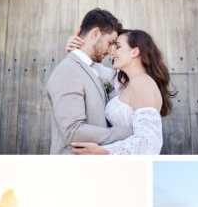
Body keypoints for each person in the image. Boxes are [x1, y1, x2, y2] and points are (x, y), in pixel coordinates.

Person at [67, 28, 174, 156]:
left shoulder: (143, 84)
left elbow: (149, 143)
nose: (112, 51)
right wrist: (76, 50)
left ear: (134, 52)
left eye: (117, 46)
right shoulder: (124, 83)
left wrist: (104, 152)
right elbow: (92, 67)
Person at [46, 9, 132, 155]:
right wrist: (129, 132)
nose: (111, 50)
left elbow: (122, 79)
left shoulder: (92, 69)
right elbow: (73, 131)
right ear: (95, 34)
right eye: (110, 42)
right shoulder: (68, 71)